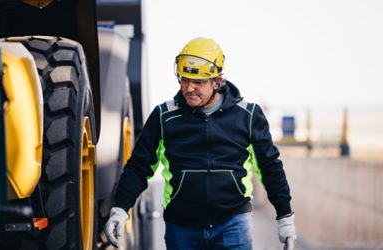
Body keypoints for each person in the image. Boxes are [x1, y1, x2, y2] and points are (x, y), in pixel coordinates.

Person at [105, 37, 297, 250]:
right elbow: (139, 166)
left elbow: (269, 166)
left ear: (218, 82)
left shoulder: (248, 115)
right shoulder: (164, 116)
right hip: (182, 227)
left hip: (233, 224)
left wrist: (285, 216)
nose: (189, 88)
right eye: (184, 80)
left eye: (198, 82)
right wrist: (121, 208)